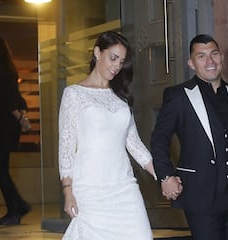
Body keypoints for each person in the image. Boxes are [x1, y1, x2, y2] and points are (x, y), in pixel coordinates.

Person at [150, 34, 228, 240]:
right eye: (201, 56)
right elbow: (159, 139)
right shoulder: (178, 96)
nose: (209, 61)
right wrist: (166, 176)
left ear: (221, 57)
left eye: (214, 54)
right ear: (191, 63)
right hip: (200, 195)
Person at [58, 31, 157, 240]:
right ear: (97, 52)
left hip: (124, 186)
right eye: (113, 58)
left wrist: (162, 174)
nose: (117, 66)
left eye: (121, 62)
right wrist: (68, 191)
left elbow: (135, 145)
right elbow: (66, 146)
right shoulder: (74, 94)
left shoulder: (121, 99)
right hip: (91, 189)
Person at [0, 36, 31, 225]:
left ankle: (16, 209)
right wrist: (21, 116)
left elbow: (8, 99)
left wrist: (20, 117)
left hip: (2, 128)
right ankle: (17, 207)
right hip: (0, 127)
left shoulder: (0, 72)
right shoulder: (3, 70)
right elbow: (16, 97)